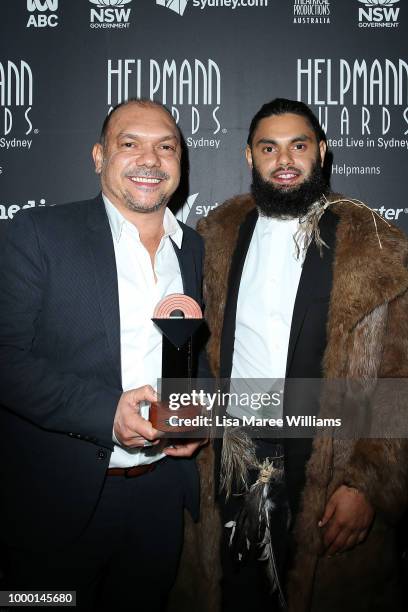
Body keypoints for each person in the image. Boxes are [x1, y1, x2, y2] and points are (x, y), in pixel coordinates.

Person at [196, 98, 408, 611]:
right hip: (234, 455)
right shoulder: (212, 235)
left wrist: (366, 483)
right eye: (269, 148)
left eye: (298, 146)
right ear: (249, 156)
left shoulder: (377, 244)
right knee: (233, 593)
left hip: (328, 459)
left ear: (322, 151)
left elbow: (400, 376)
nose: (284, 160)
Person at [0, 98, 205, 611]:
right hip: (56, 504)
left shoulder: (194, 249)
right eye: (129, 144)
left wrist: (195, 414)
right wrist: (104, 413)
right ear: (98, 157)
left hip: (159, 497)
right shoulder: (40, 235)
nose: (150, 160)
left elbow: (189, 354)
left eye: (166, 146)